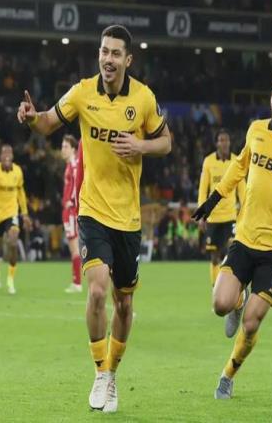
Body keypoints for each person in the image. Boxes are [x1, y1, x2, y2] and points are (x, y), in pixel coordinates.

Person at [17, 24, 171, 413]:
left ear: (128, 59)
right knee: (98, 291)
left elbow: (166, 142)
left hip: (129, 218)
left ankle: (113, 373)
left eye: (116, 53)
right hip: (93, 211)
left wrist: (140, 145)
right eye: (104, 51)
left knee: (124, 304)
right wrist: (31, 118)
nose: (108, 59)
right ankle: (100, 372)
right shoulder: (83, 92)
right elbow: (48, 123)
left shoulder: (144, 98)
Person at [193, 71, 272, 399]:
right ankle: (237, 301)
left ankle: (228, 374)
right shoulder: (256, 130)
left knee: (251, 324)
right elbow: (239, 166)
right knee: (220, 304)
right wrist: (214, 198)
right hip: (245, 238)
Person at [197, 130, 245, 288]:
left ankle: (231, 288)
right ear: (217, 143)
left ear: (229, 143)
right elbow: (203, 189)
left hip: (230, 216)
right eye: (221, 140)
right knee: (214, 256)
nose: (224, 143)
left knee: (231, 253)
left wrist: (245, 210)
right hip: (213, 217)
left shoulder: (236, 161)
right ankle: (216, 289)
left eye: (226, 140)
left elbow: (242, 189)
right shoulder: (208, 162)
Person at [0, 145, 31, 294]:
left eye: (9, 153)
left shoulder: (18, 171)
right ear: (0, 156)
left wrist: (25, 214)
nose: (7, 156)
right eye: (4, 153)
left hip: (12, 212)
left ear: (12, 156)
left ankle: (10, 280)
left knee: (13, 240)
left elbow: (21, 192)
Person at [60, 134, 83, 293]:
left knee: (75, 247)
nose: (63, 150)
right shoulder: (70, 165)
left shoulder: (75, 165)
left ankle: (77, 283)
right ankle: (76, 281)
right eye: (62, 147)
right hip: (68, 210)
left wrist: (72, 203)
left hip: (72, 211)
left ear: (74, 149)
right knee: (73, 247)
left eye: (66, 147)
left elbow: (78, 185)